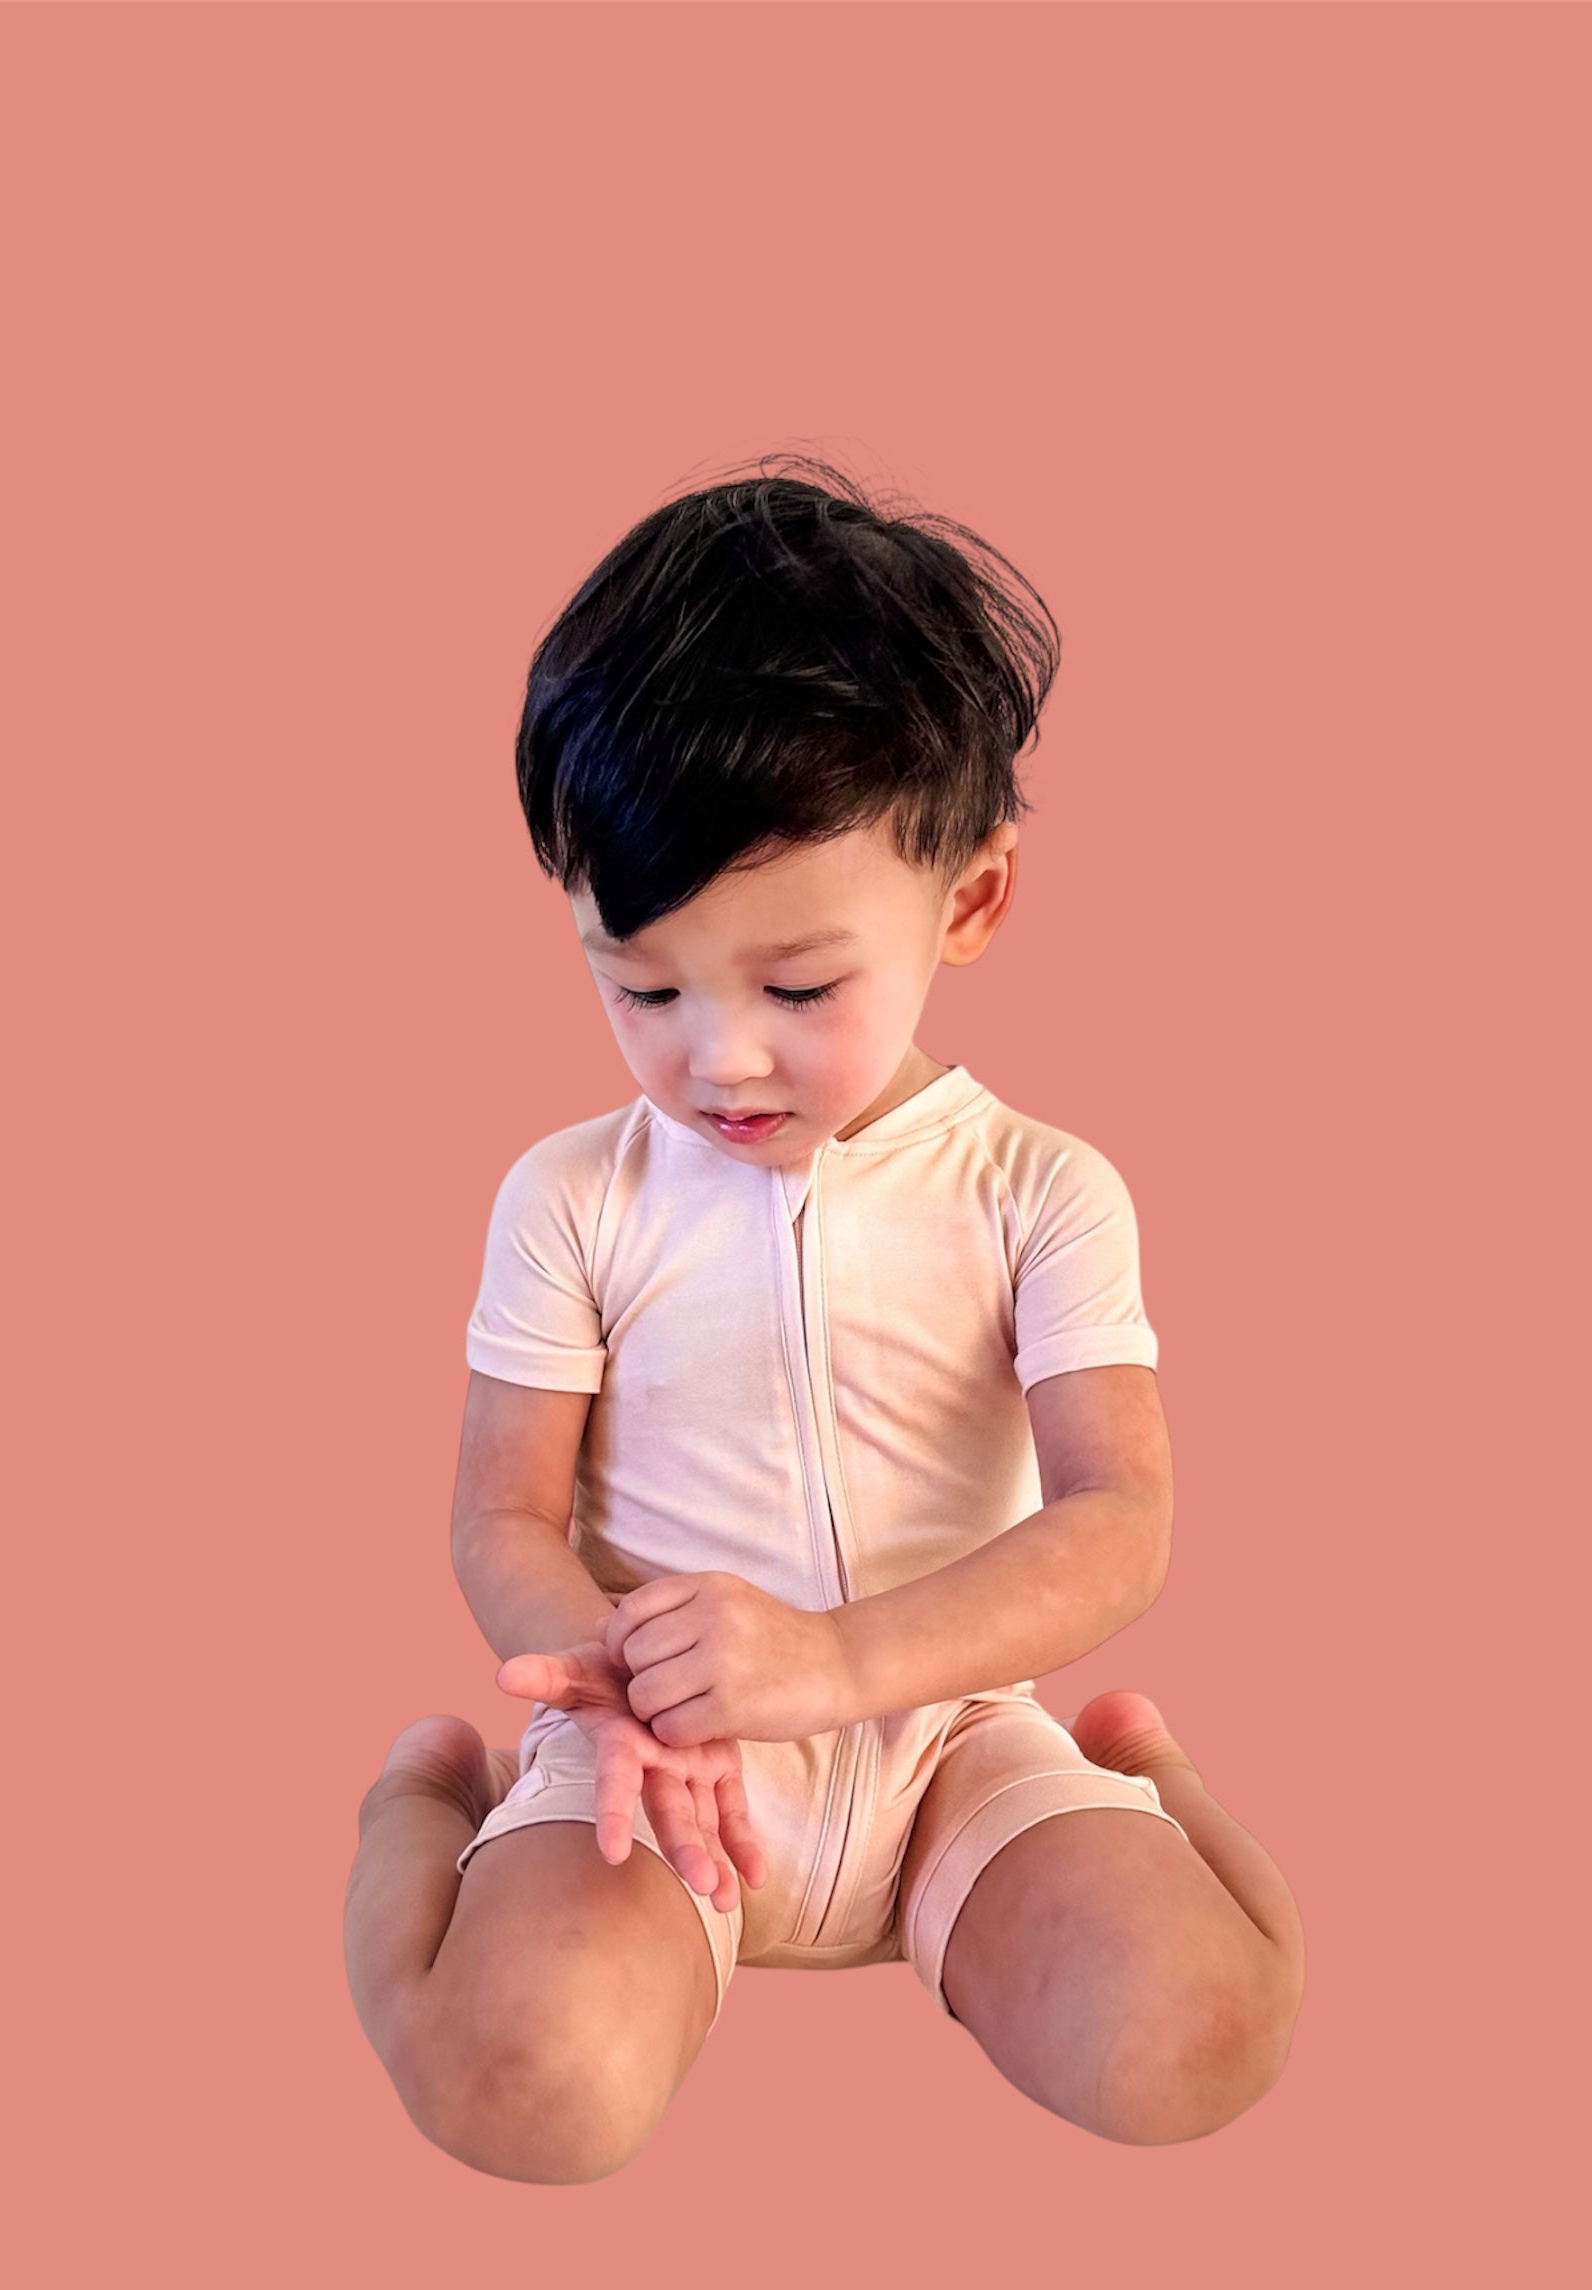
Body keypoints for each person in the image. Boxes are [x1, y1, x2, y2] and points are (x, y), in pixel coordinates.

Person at [343, 454, 1305, 2182]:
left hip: (948, 1749)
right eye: (642, 984)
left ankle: (1146, 1777)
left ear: (973, 900)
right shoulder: (571, 1198)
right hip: (665, 1757)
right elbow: (502, 1513)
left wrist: (848, 1667)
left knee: (1200, 2039)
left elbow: (1121, 1516)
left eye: (797, 986)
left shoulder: (1039, 1190)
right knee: (523, 2091)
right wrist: (609, 1686)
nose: (719, 1058)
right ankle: (423, 1808)